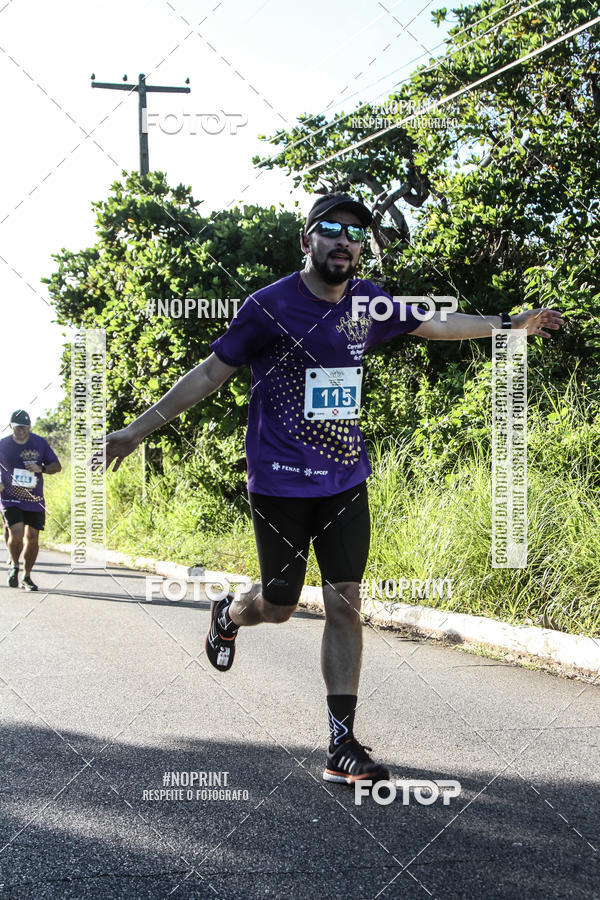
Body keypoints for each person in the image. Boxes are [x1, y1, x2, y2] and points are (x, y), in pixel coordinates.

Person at [103, 192, 564, 786]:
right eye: (331, 229)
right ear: (308, 241)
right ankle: (229, 612)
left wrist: (507, 324)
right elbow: (211, 373)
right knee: (279, 605)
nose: (344, 240)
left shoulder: (369, 301)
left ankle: (341, 745)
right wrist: (134, 431)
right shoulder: (268, 306)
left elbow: (436, 323)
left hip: (344, 477)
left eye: (355, 233)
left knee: (346, 602)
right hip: (279, 481)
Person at [0, 410, 62, 590]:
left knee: (33, 538)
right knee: (16, 533)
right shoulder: (3, 444)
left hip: (34, 499)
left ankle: (26, 576)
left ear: (29, 427)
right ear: (11, 426)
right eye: (18, 427)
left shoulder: (40, 443)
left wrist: (41, 468)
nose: (21, 431)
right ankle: (14, 565)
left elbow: (56, 466)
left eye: (25, 427)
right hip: (10, 498)